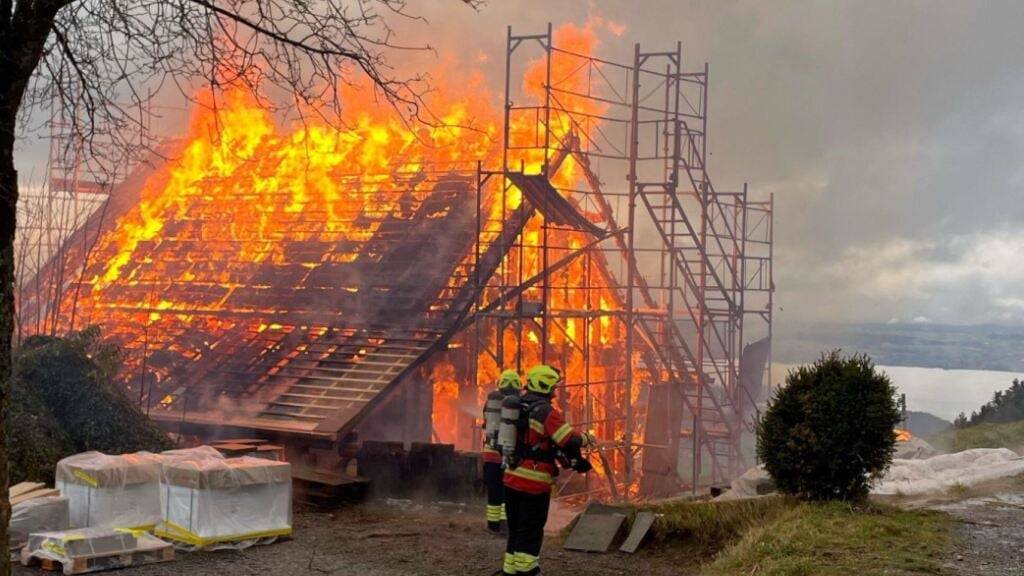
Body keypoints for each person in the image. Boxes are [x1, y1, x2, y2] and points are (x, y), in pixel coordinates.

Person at [501, 364, 594, 576]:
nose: (555, 390)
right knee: (531, 529)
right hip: (533, 483)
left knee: (515, 528)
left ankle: (510, 570)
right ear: (545, 386)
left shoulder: (519, 406)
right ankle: (528, 571)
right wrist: (587, 439)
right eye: (553, 386)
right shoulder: (546, 412)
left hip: (511, 477)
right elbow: (567, 440)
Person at [483, 369, 522, 534]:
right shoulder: (518, 403)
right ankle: (506, 525)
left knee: (494, 491)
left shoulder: (492, 402)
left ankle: (492, 526)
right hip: (510, 454)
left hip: (490, 454)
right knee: (509, 492)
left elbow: (486, 422)